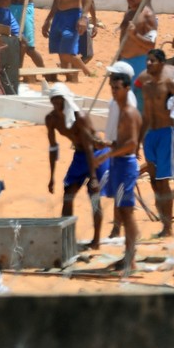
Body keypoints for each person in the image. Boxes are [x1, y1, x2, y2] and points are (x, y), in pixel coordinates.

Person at [138, 48, 174, 237]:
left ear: (161, 64)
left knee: (163, 181)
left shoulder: (170, 85)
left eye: (152, 61)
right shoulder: (146, 85)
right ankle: (163, 221)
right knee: (154, 181)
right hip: (149, 135)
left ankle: (167, 228)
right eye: (148, 61)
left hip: (166, 135)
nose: (149, 64)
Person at [45, 83, 109, 248]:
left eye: (59, 101)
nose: (56, 104)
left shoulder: (79, 117)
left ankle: (96, 241)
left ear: (65, 100)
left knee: (94, 195)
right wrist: (51, 177)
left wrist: (93, 176)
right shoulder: (51, 119)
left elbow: (89, 145)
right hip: (80, 156)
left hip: (95, 154)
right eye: (54, 101)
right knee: (68, 194)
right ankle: (67, 239)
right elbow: (53, 148)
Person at [94, 71, 142, 273]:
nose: (114, 91)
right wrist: (107, 144)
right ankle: (128, 256)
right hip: (119, 162)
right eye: (112, 87)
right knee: (123, 210)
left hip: (124, 163)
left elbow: (131, 144)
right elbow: (123, 141)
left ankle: (131, 259)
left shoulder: (129, 112)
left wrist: (107, 155)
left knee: (127, 212)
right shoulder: (121, 110)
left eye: (117, 88)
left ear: (127, 88)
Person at [117, 0, 157, 112]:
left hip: (139, 62)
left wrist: (135, 35)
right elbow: (123, 38)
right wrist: (119, 57)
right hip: (124, 61)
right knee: (122, 97)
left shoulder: (148, 16)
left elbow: (151, 44)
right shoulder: (128, 14)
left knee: (137, 99)